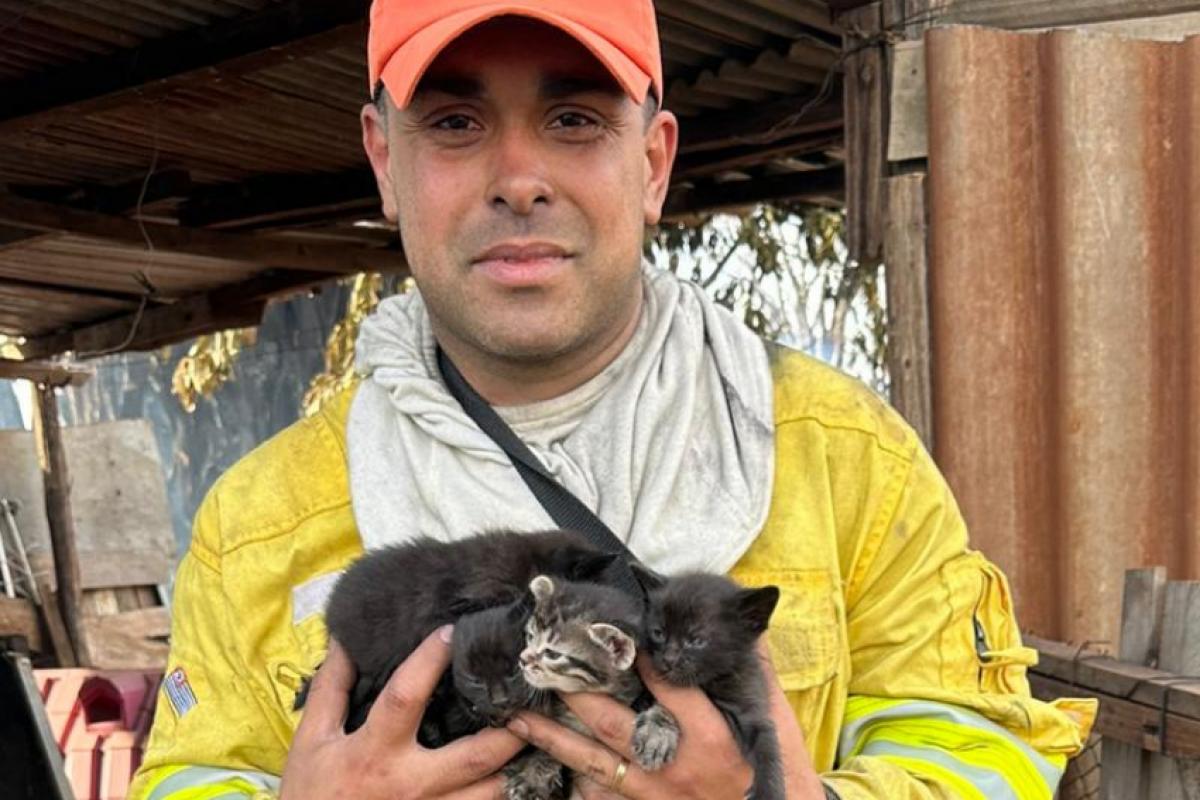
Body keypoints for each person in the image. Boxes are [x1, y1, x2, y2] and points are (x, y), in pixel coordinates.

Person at [129, 1, 1095, 798]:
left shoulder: (844, 460)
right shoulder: (256, 527)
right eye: (455, 123)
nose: (519, 181)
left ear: (654, 163)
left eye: (575, 120)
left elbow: (984, 752)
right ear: (385, 161)